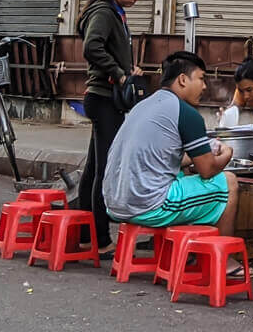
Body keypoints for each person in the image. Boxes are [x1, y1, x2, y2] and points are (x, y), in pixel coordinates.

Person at [103, 51, 240, 238]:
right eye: (201, 79)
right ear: (183, 79)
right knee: (228, 182)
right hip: (148, 205)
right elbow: (207, 169)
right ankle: (224, 260)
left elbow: (163, 159)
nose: (204, 86)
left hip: (114, 202)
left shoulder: (144, 105)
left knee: (184, 175)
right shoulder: (186, 113)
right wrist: (227, 154)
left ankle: (187, 253)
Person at [76, 0, 151, 254]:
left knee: (95, 167)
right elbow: (92, 47)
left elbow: (102, 49)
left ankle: (87, 236)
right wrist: (119, 73)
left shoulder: (113, 13)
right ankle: (100, 239)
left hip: (105, 98)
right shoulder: (105, 12)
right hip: (103, 98)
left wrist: (126, 68)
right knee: (105, 170)